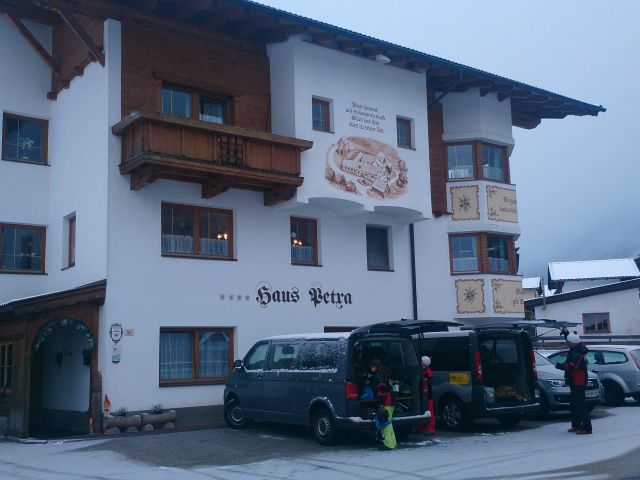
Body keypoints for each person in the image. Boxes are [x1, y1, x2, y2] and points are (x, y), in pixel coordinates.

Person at [555, 332, 592, 434]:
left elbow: (572, 367)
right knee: (574, 404)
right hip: (575, 381)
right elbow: (572, 338)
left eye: (568, 341)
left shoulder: (576, 353)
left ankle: (586, 428)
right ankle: (576, 425)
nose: (566, 342)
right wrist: (566, 332)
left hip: (578, 381)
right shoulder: (576, 349)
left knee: (580, 405)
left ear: (572, 343)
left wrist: (560, 366)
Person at [370, 359, 397, 449]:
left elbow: (382, 391)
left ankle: (388, 444)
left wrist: (381, 404)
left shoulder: (378, 376)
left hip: (386, 402)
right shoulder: (383, 374)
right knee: (389, 423)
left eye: (373, 366)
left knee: (385, 424)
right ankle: (392, 443)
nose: (371, 368)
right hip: (391, 400)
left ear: (376, 366)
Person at [415, 355, 435, 435]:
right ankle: (419, 427)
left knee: (430, 412)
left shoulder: (427, 373)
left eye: (421, 361)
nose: (420, 362)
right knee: (421, 411)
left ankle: (430, 429)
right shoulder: (423, 371)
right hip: (423, 395)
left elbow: (426, 385)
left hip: (427, 396)